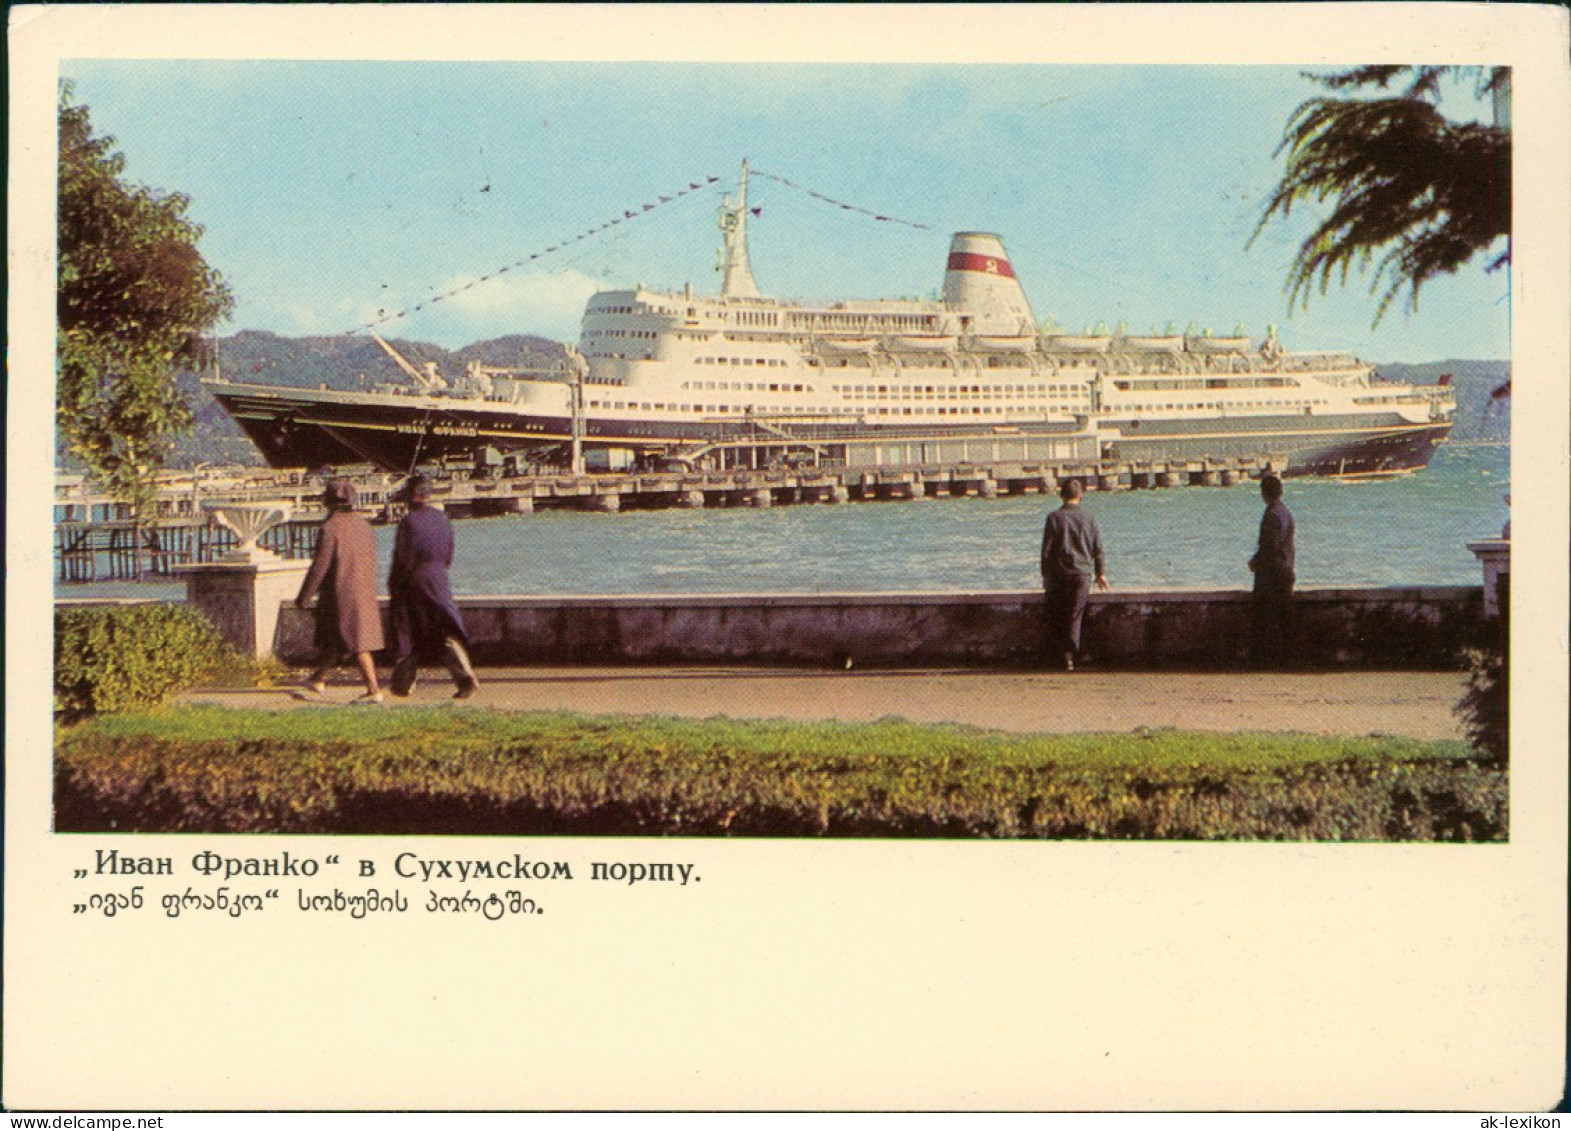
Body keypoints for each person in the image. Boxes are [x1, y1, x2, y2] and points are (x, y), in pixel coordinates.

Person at [387, 474, 479, 699]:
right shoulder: (442, 519)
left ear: (412, 496)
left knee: (407, 631)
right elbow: (448, 554)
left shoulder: (408, 522)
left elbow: (403, 559)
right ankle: (465, 677)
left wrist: (394, 584)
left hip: (414, 581)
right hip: (439, 580)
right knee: (445, 631)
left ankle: (403, 683)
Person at [296, 478, 385, 703]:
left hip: (339, 592)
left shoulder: (330, 527)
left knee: (358, 644)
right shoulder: (364, 525)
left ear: (328, 501)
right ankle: (318, 678)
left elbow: (320, 566)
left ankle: (374, 691)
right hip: (364, 590)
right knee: (337, 639)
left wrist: (304, 596)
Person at [1040, 478, 1110, 671]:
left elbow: (1046, 552)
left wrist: (1045, 575)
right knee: (1075, 614)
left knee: (1058, 614)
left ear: (1062, 495)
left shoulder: (1053, 518)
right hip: (1082, 574)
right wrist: (1101, 573)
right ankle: (1071, 654)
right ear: (1080, 496)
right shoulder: (1090, 517)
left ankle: (1064, 655)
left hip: (1059, 573)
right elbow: (1098, 549)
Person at [1248, 472, 1296, 667]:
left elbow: (1270, 546)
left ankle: (1261, 659)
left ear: (1264, 493)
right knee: (1284, 617)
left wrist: (1256, 561)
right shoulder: (1285, 512)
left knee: (1262, 617)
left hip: (1272, 574)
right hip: (1285, 569)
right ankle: (1287, 658)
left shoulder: (1272, 514)